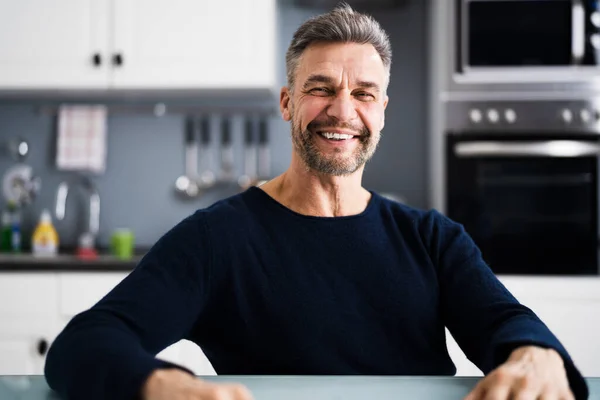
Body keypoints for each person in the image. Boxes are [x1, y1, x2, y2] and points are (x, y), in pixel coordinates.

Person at [44, 3, 588, 400]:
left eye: (363, 93)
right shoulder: (217, 240)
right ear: (287, 102)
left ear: (382, 111)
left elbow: (507, 324)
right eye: (321, 88)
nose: (342, 111)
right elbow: (85, 343)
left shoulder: (431, 239)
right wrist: (162, 385)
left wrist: (534, 355)